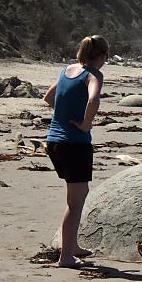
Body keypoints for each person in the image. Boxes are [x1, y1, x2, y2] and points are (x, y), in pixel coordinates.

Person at [44, 34, 108, 268]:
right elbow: (94, 100)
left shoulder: (67, 70)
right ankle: (66, 257)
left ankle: (73, 246)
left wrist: (64, 114)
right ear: (101, 56)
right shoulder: (94, 75)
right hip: (75, 144)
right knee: (75, 203)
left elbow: (48, 97)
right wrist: (85, 124)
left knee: (76, 197)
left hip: (54, 142)